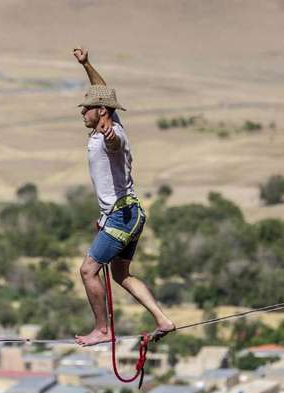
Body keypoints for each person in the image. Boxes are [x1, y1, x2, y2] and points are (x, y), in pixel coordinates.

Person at [71, 47, 175, 346]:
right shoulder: (110, 120)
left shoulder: (112, 136)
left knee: (88, 270)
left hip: (122, 217)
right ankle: (163, 320)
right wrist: (86, 64)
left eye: (86, 108)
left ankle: (102, 330)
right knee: (121, 274)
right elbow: (103, 93)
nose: (82, 111)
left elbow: (115, 147)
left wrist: (111, 140)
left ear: (100, 111)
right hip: (128, 214)